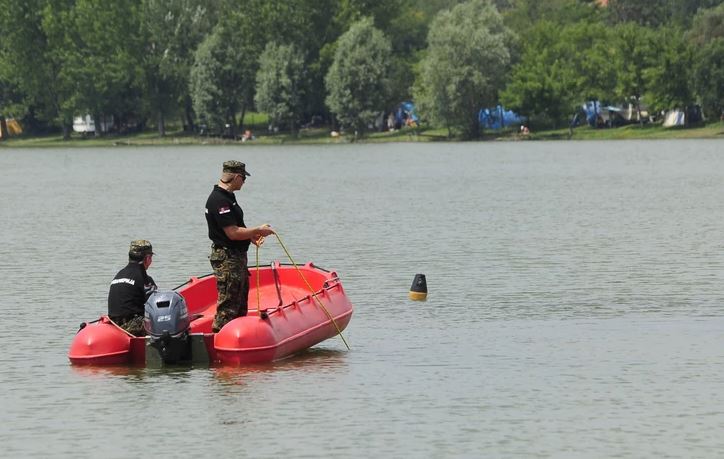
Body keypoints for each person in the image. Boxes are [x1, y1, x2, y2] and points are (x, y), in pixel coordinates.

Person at [205, 160, 275, 332]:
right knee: (228, 305)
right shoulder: (219, 200)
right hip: (227, 259)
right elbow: (232, 232)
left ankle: (240, 339)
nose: (244, 181)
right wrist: (257, 230)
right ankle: (218, 338)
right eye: (243, 178)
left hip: (236, 256)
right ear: (236, 177)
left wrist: (251, 236)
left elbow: (237, 228)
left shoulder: (228, 198)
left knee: (240, 303)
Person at [107, 240, 157, 336]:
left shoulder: (119, 275)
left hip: (114, 326)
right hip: (133, 327)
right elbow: (155, 307)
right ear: (147, 258)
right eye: (151, 257)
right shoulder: (145, 279)